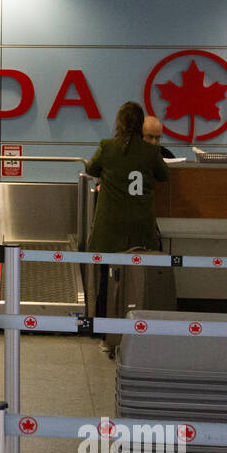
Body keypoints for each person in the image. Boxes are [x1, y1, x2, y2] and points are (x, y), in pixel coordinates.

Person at [86, 102, 170, 323]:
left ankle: (104, 328)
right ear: (140, 124)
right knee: (138, 279)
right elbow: (163, 175)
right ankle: (136, 324)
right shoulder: (150, 151)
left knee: (107, 277)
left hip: (109, 226)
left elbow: (91, 169)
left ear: (119, 122)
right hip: (139, 225)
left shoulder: (107, 146)